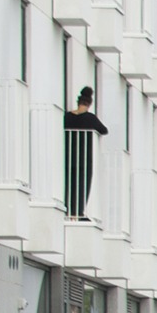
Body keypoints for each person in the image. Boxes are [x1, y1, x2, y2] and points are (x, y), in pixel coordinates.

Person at [63, 84, 108, 217]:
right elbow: (104, 130)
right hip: (83, 157)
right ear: (89, 103)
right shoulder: (90, 118)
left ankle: (68, 209)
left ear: (78, 101)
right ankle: (78, 211)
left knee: (69, 183)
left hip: (68, 155)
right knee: (82, 185)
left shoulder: (67, 116)